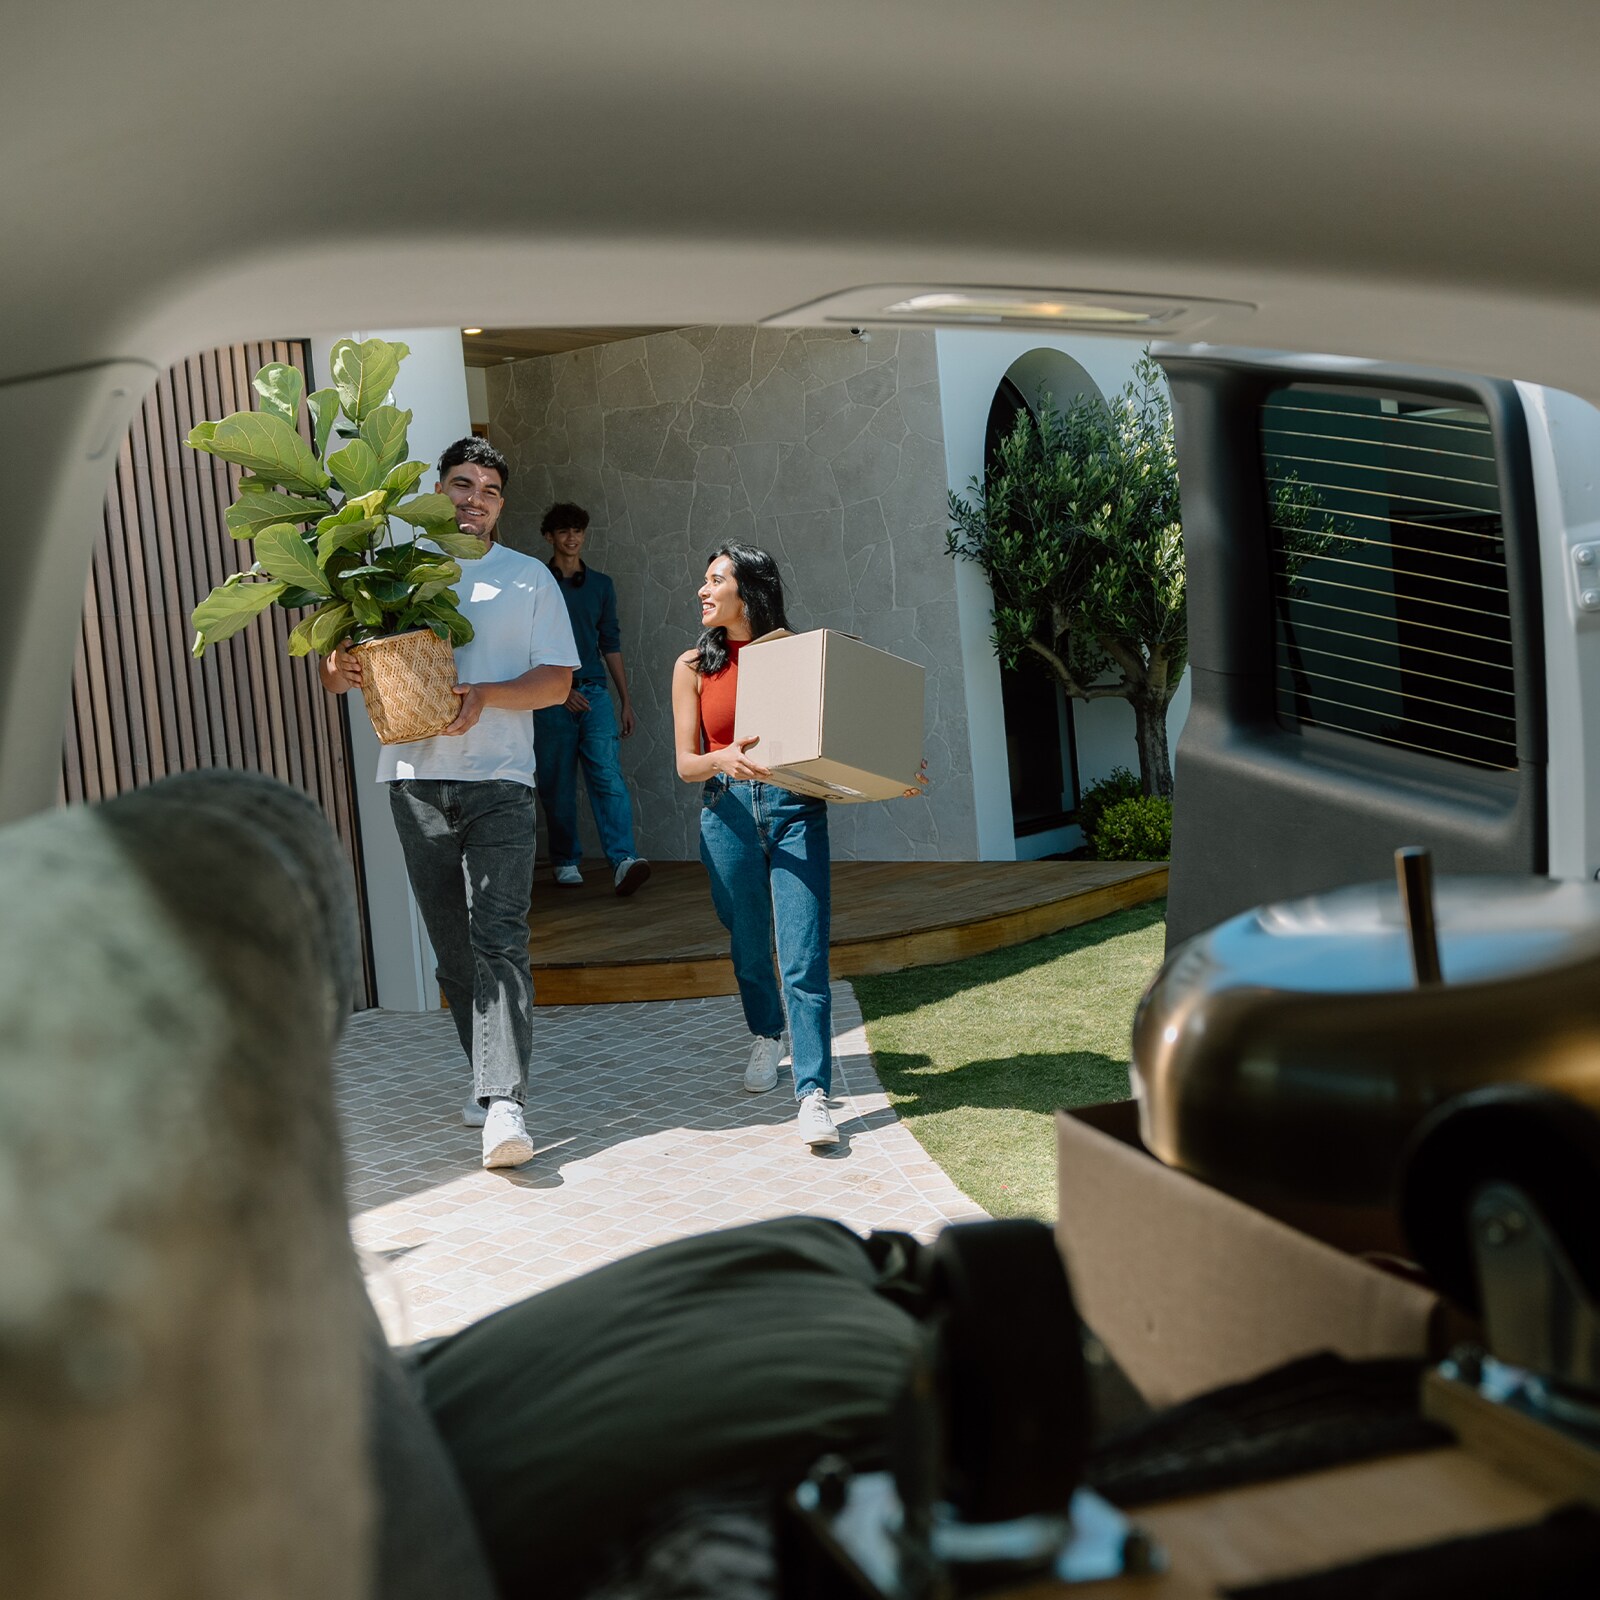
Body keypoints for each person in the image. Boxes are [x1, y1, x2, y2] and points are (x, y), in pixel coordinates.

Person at [319, 437, 579, 1170]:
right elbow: (339, 678)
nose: (474, 498)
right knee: (454, 951)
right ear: (438, 491)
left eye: (489, 489)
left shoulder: (527, 579)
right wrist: (336, 664)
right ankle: (485, 1076)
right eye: (461, 484)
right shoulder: (389, 573)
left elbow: (557, 682)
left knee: (501, 937)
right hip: (413, 780)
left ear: (501, 505)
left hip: (500, 778)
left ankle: (505, 1104)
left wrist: (488, 696)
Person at [671, 543, 926, 1150]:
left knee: (804, 950)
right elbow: (685, 764)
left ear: (749, 589)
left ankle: (813, 1092)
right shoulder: (692, 665)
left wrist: (892, 765)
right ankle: (767, 1034)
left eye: (715, 580)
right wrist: (722, 758)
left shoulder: (800, 652)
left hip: (794, 811)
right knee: (748, 941)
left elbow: (846, 726)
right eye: (703, 581)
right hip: (726, 812)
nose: (703, 591)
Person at [533, 501, 650, 897]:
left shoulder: (601, 585)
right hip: (550, 697)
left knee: (608, 777)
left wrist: (625, 700)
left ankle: (624, 861)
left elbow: (609, 643)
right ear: (550, 537)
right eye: (564, 531)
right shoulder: (536, 583)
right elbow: (524, 645)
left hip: (595, 692)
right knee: (557, 782)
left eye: (578, 531)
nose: (572, 538)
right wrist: (559, 690)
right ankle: (566, 861)